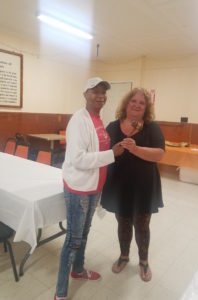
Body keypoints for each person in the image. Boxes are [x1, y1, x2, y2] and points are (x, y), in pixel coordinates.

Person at [55, 77, 124, 300]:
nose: (100, 95)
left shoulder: (98, 119)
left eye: (104, 92)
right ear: (85, 94)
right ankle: (60, 293)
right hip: (79, 189)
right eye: (95, 91)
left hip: (94, 187)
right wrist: (111, 154)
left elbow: (96, 151)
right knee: (73, 240)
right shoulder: (79, 120)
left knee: (83, 234)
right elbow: (77, 159)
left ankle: (78, 270)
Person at [101, 87, 165, 282]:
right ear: (126, 104)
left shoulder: (151, 127)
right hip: (119, 184)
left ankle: (144, 261)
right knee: (123, 222)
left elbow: (160, 153)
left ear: (146, 108)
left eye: (142, 103)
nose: (137, 105)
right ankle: (123, 256)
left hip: (143, 185)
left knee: (142, 224)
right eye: (133, 101)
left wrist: (135, 149)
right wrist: (112, 151)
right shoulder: (112, 126)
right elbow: (104, 153)